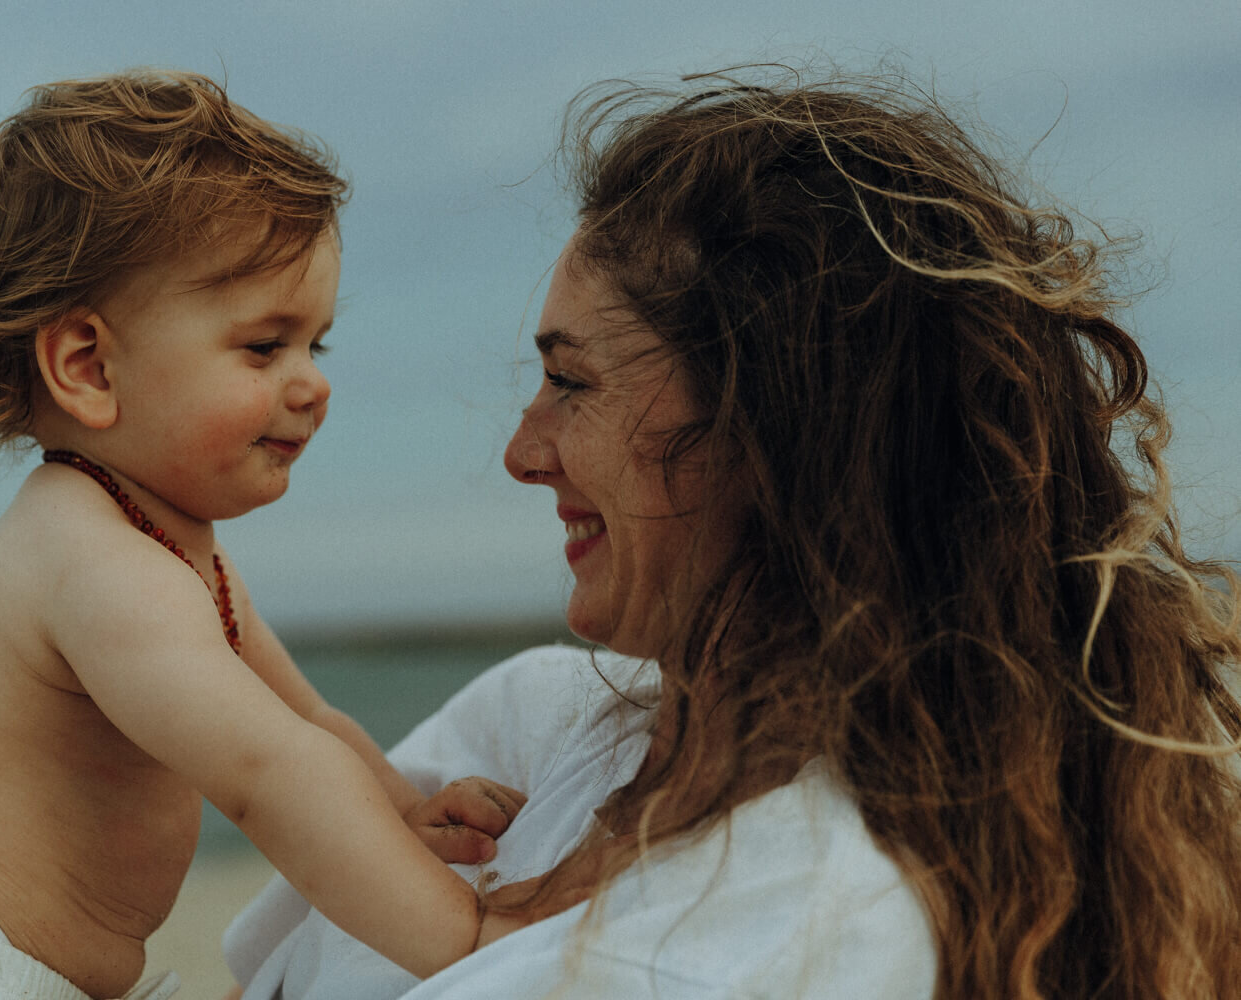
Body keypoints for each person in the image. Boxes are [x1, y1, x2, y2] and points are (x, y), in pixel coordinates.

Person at [223, 69, 1241, 999]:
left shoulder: (790, 932)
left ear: (779, 436)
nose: (523, 455)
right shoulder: (543, 727)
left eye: (572, 382)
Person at [0, 71, 540, 1000]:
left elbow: (306, 726)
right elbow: (266, 774)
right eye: (263, 346)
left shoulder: (168, 547)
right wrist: (470, 937)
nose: (313, 381)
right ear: (87, 366)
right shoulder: (87, 558)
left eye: (314, 344)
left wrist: (404, 813)